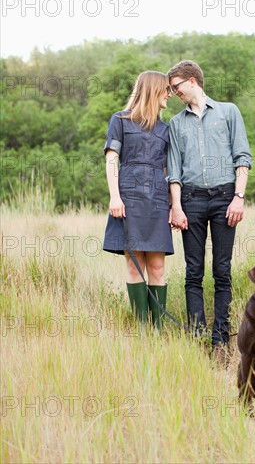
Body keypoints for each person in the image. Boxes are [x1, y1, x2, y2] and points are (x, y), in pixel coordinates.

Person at [167, 60, 252, 360]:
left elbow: (242, 156)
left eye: (175, 87)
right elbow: (173, 170)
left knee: (222, 270)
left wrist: (238, 197)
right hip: (190, 200)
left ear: (192, 81)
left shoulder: (229, 112)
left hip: (224, 198)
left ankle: (220, 340)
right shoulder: (176, 124)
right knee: (193, 272)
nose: (173, 93)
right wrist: (176, 207)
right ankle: (198, 336)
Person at [103, 71, 174, 329]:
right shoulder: (120, 121)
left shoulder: (167, 129)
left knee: (156, 267)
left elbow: (171, 170)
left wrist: (173, 206)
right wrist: (115, 197)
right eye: (166, 89)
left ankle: (158, 331)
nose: (170, 94)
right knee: (135, 268)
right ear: (153, 90)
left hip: (157, 200)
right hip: (128, 200)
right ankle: (142, 330)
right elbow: (112, 159)